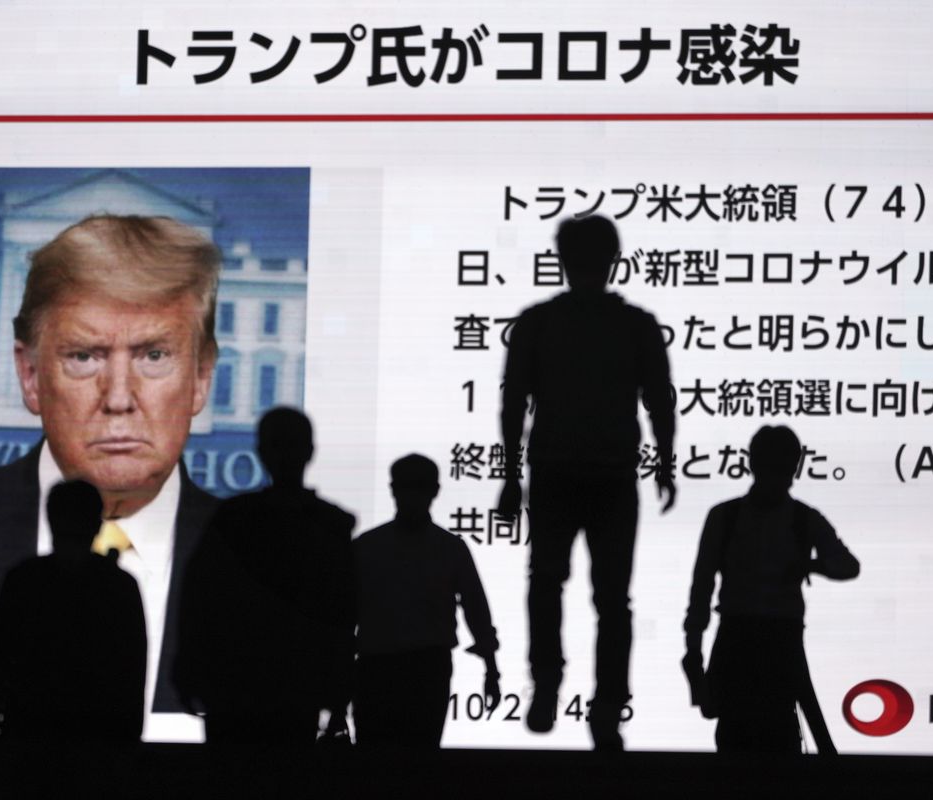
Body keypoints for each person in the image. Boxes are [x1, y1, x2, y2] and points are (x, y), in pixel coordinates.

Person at [0, 215, 221, 718]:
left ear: (200, 377)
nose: (120, 399)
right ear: (29, 375)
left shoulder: (254, 556)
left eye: (153, 355)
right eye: (85, 356)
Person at [496, 214, 676, 750]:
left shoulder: (538, 322)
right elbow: (659, 400)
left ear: (562, 260)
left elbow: (513, 404)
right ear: (612, 260)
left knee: (547, 581)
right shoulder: (636, 324)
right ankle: (605, 708)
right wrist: (664, 462)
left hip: (556, 470)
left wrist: (510, 476)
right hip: (610, 475)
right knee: (612, 599)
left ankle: (548, 686)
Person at [174, 407, 355, 749]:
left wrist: (189, 671)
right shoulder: (330, 526)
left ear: (260, 452)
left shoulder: (231, 521)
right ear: (311, 452)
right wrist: (338, 689)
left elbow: (199, 601)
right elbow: (343, 616)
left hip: (236, 687)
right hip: (295, 689)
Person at [683, 425, 860, 754]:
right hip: (763, 638)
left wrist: (694, 647)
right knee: (762, 735)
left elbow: (701, 589)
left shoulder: (730, 516)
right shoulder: (794, 518)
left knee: (752, 734)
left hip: (758, 638)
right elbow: (701, 587)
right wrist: (811, 566)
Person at [0, 480, 146, 741]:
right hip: (99, 736)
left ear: (51, 520)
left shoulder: (22, 579)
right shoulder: (120, 586)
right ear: (98, 526)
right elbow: (133, 671)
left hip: (29, 732)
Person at [353, 454, 500, 749]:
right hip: (420, 669)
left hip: (382, 668)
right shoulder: (450, 548)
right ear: (436, 490)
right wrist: (491, 670)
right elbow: (477, 612)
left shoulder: (366, 547)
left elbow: (342, 617)